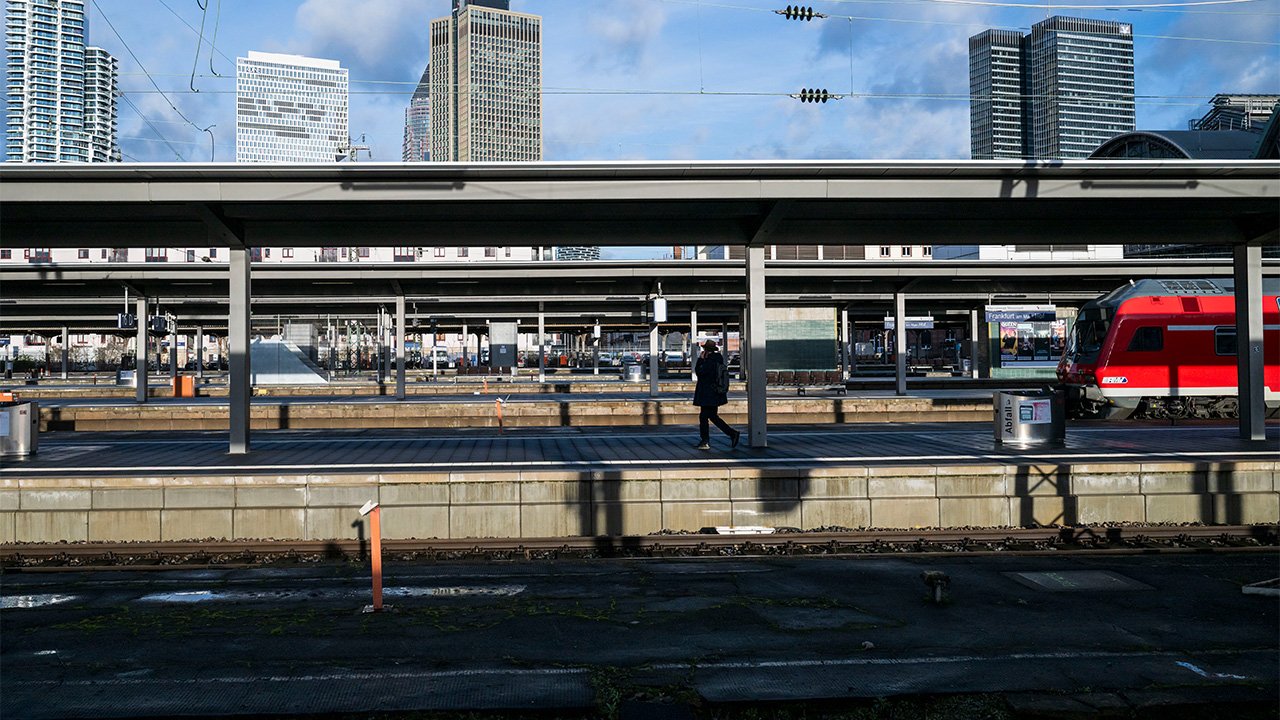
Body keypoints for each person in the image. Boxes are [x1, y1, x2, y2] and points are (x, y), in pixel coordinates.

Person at [692, 339, 740, 450]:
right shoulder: (718, 360)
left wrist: (700, 360)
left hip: (709, 393)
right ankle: (732, 434)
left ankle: (705, 441)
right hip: (715, 393)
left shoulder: (709, 361)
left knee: (704, 416)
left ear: (706, 350)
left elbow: (700, 373)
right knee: (712, 416)